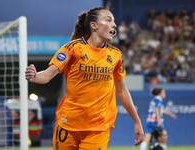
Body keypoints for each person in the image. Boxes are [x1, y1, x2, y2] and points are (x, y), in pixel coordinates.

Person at [25, 7, 144, 150]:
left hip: (98, 128)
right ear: (94, 25)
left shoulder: (115, 55)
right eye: (108, 20)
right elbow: (47, 75)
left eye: (113, 21)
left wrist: (137, 121)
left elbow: (122, 91)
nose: (114, 24)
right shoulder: (72, 48)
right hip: (67, 124)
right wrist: (35, 76)